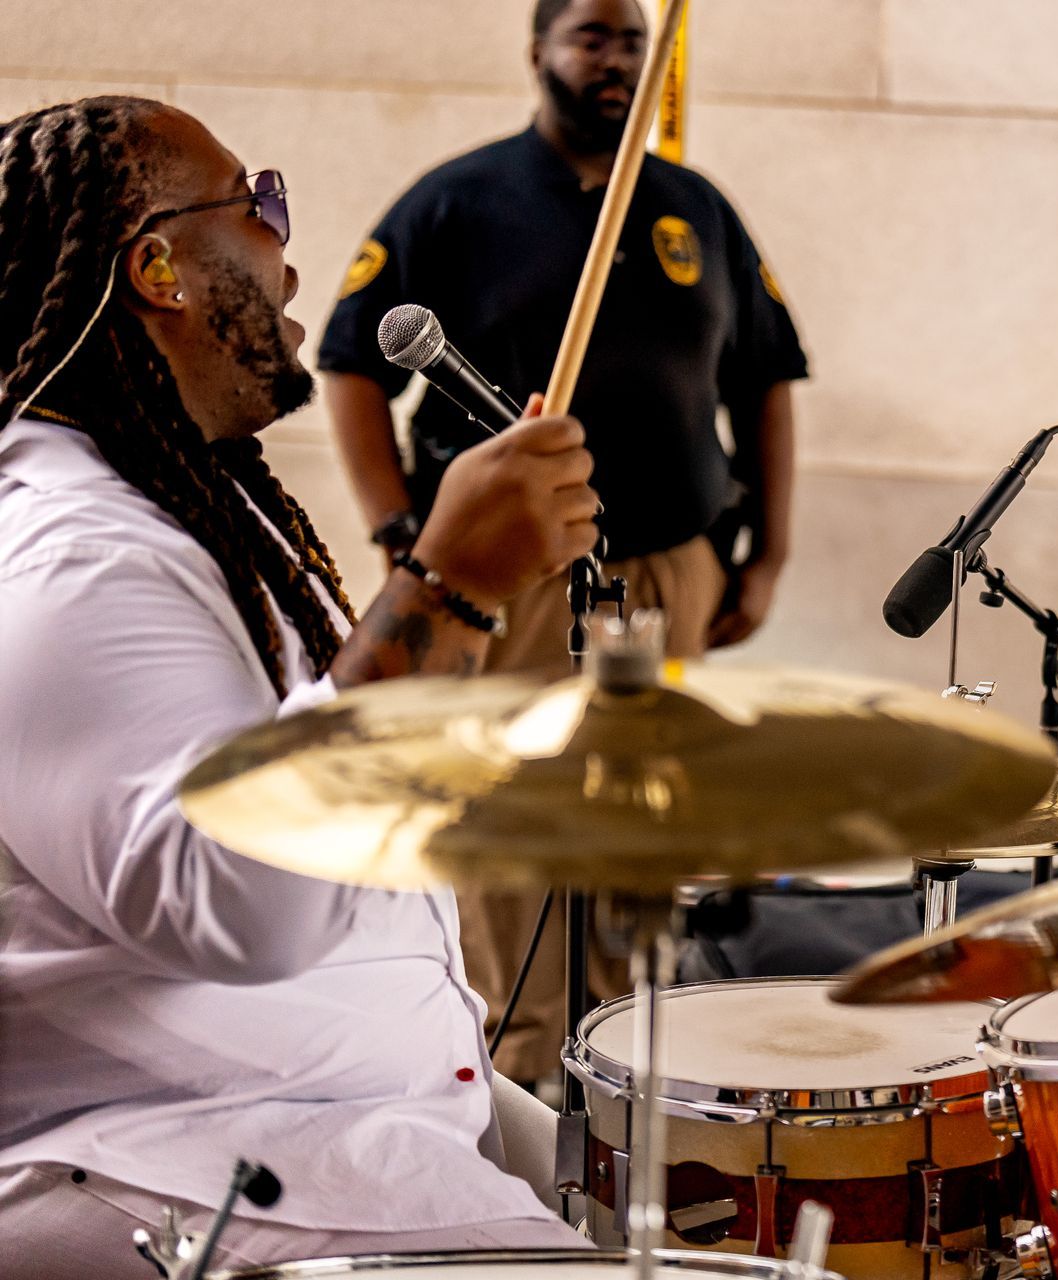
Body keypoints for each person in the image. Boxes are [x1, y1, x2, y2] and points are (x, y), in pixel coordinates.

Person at [0, 97, 600, 1277]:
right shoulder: (72, 558)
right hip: (187, 1168)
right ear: (158, 267)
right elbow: (249, 901)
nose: (289, 251)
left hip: (331, 1126)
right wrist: (448, 587)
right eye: (259, 202)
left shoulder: (182, 512)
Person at [318, 0, 808, 1083]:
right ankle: (517, 1074)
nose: (615, 58)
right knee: (515, 819)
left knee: (634, 826)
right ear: (537, 49)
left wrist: (763, 554)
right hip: (520, 578)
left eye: (633, 40)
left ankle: (625, 1069)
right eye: (591, 35)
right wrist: (404, 528)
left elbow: (767, 378)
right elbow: (352, 360)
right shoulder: (458, 200)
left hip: (671, 569)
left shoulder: (695, 209)